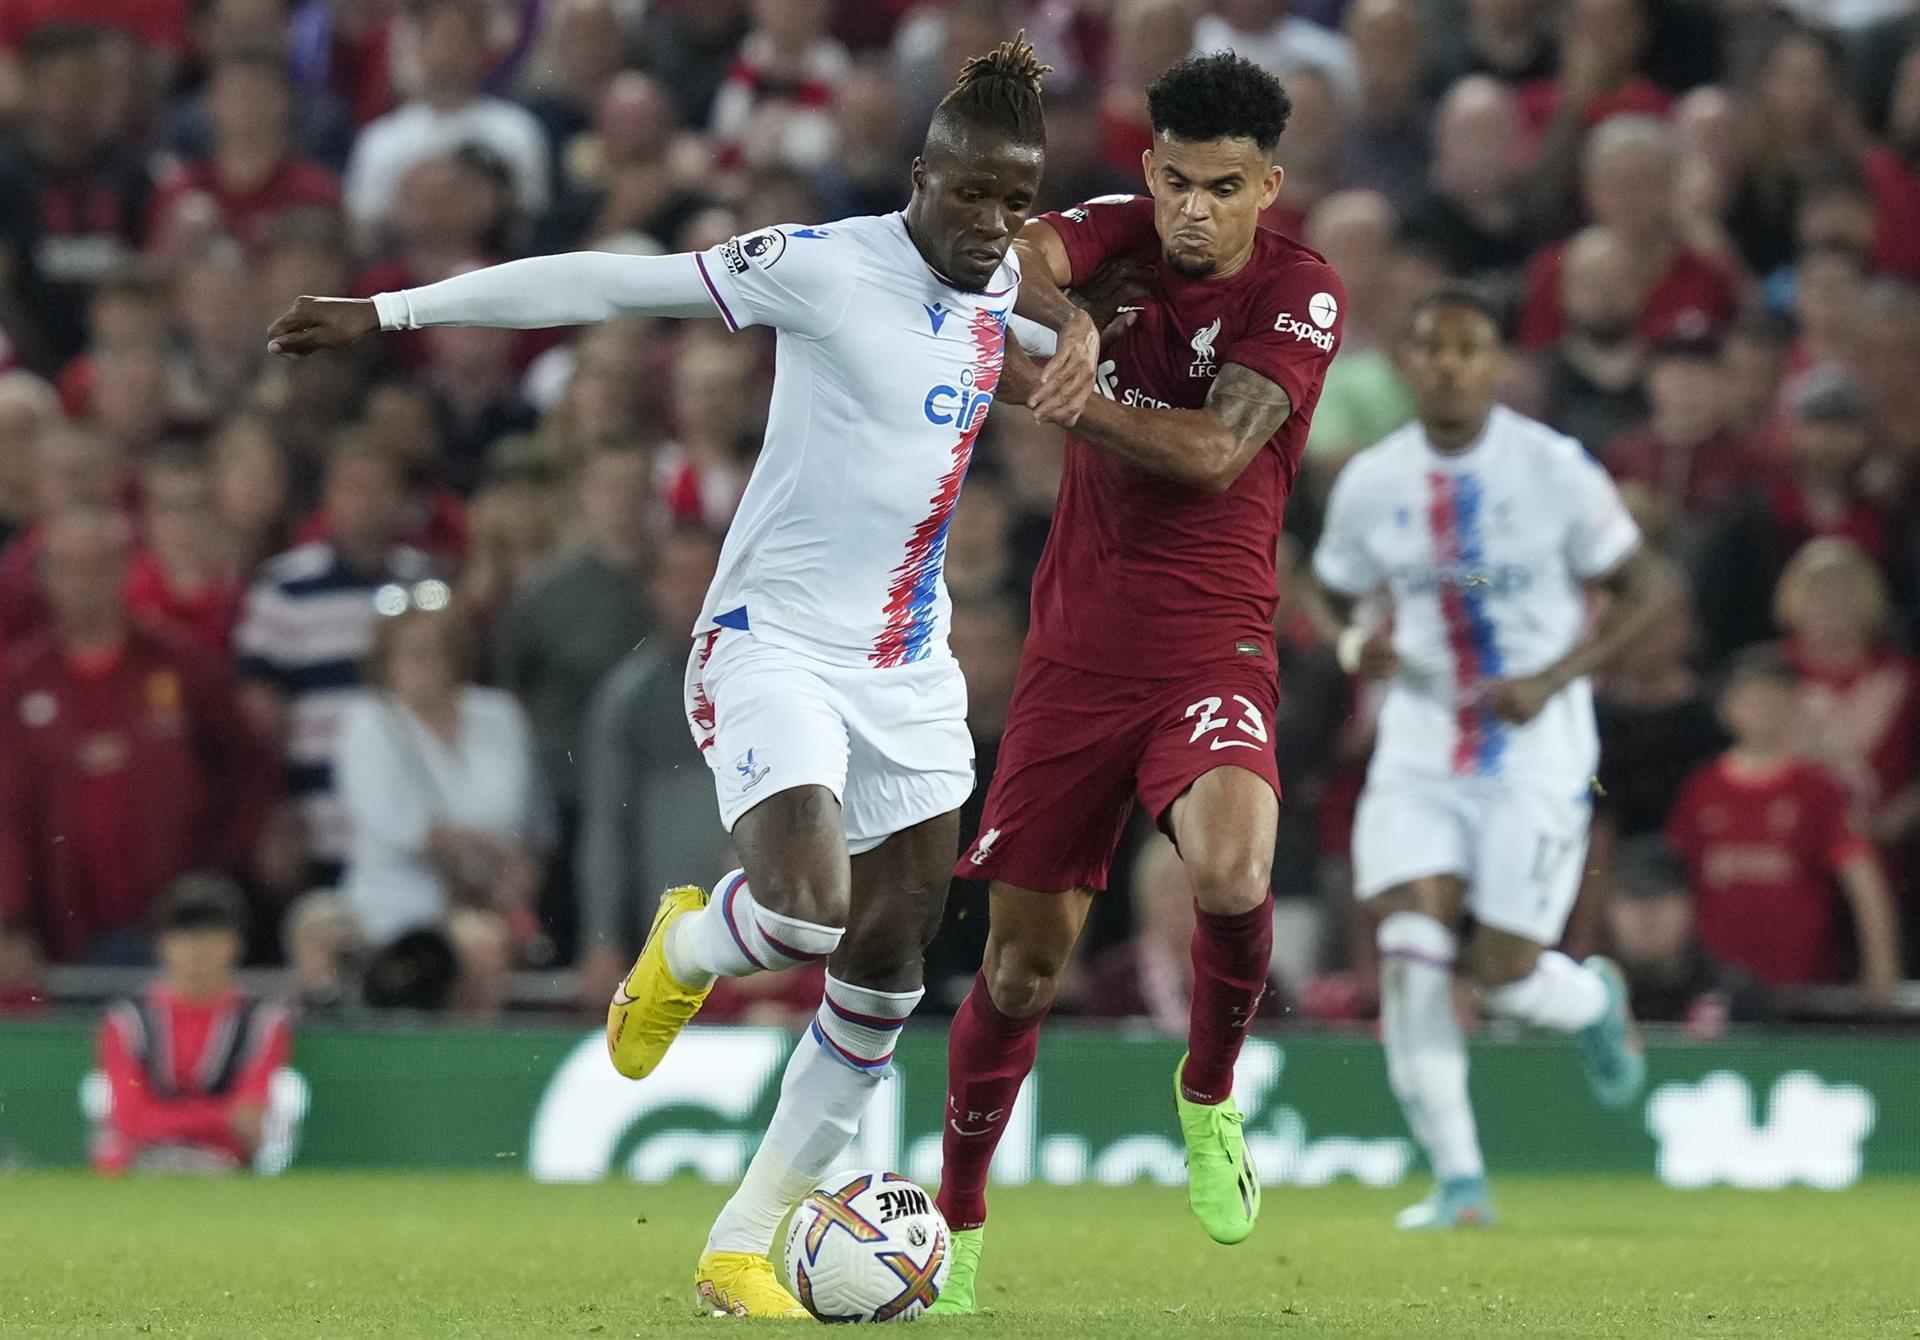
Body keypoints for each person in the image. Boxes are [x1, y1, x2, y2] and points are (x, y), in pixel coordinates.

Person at [266, 36, 1071, 1319]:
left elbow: (1067, 308)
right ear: (921, 173)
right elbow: (609, 283)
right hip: (773, 643)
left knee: (890, 961)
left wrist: (1082, 326)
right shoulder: (820, 265)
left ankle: (741, 1243)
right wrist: (395, 311)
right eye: (969, 193)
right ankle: (690, 943)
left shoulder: (1008, 280)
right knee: (803, 913)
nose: (988, 224)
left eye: (1013, 201)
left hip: (908, 666)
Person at [932, 53, 1344, 1310]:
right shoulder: (1118, 232)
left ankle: (1209, 1090)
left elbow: (1218, 450)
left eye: (1226, 186)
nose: (1196, 210)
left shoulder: (1303, 289)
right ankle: (955, 1217)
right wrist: (1079, 318)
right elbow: (1021, 259)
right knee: (1018, 970)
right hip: (1073, 659)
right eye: (1177, 180)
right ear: (1151, 166)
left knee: (1230, 864)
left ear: (1269, 185)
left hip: (1209, 640)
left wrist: (1073, 394)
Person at [1308, 287, 1682, 1231]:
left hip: (1539, 748)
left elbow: (1647, 589)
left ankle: (1590, 999)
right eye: (1428, 348)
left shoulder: (1556, 469)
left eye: (1466, 349)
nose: (1445, 365)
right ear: (1406, 363)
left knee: (1503, 973)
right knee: (1410, 945)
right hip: (1422, 746)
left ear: (1495, 363)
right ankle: (1460, 1181)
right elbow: (1327, 590)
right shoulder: (1373, 481)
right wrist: (1358, 649)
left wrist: (1559, 675)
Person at [0, 509, 275, 965]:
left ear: (126, 567)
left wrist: (222, 867)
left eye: (99, 564)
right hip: (54, 928)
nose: (84, 581)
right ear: (44, 577)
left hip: (177, 926)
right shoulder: (18, 680)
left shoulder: (180, 661)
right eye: (68, 567)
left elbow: (247, 766)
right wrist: (9, 921)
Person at [234, 439, 434, 891]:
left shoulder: (428, 586)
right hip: (320, 825)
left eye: (380, 488)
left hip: (419, 830)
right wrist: (277, 810)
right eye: (353, 488)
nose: (367, 501)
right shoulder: (284, 588)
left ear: (402, 499)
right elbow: (260, 716)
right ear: (329, 498)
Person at [335, 599, 543, 1020]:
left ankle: (476, 1063)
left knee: (484, 940)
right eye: (411, 653)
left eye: (436, 650)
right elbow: (395, 822)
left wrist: (516, 871)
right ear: (386, 662)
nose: (425, 664)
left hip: (491, 897)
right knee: (471, 944)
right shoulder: (367, 721)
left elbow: (524, 815)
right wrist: (485, 846)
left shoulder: (499, 716)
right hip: (394, 900)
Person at [1666, 647, 1902, 1003]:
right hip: (1716, 990)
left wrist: (1881, 970)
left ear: (1796, 703)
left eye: (1774, 696)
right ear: (1725, 708)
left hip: (1802, 985)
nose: (1762, 708)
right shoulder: (1703, 787)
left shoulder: (1820, 789)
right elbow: (1675, 880)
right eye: (1750, 697)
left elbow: (1863, 879)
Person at [92, 876, 295, 1175]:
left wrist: (164, 1119)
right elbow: (130, 1119)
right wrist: (222, 1116)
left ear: (236, 943)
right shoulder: (126, 1022)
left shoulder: (263, 1023)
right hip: (135, 1171)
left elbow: (250, 1120)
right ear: (162, 943)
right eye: (185, 934)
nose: (198, 947)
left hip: (222, 1171)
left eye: (213, 933)